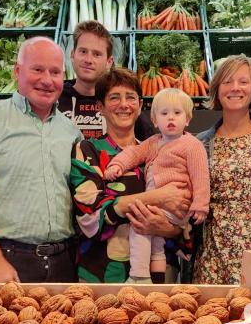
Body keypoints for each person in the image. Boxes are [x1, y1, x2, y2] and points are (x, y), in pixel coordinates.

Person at [0, 37, 82, 283]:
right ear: (17, 71)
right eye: (37, 69)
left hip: (64, 262)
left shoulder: (71, 132)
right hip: (9, 262)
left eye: (55, 72)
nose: (47, 80)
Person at [70, 68, 192, 283]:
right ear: (100, 107)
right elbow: (91, 216)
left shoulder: (161, 151)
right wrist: (158, 197)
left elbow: (184, 212)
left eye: (131, 97)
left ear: (140, 105)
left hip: (158, 276)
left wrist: (171, 229)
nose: (124, 104)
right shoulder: (88, 151)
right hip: (103, 275)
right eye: (114, 97)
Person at [194, 55, 251, 285]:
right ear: (217, 89)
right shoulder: (199, 143)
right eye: (227, 82)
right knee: (215, 318)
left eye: (243, 82)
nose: (235, 88)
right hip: (213, 258)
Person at [104, 88, 209, 284]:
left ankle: (139, 275)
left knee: (141, 227)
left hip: (176, 204)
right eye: (164, 113)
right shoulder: (153, 142)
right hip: (159, 202)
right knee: (157, 243)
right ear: (154, 120)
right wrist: (117, 165)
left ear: (187, 119)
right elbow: (133, 154)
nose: (171, 118)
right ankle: (157, 281)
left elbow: (201, 176)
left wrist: (201, 205)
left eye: (177, 113)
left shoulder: (192, 145)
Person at [58, 20, 155, 141]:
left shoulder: (123, 105)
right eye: (83, 51)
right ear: (72, 55)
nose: (88, 59)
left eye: (97, 54)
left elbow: (151, 148)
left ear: (109, 62)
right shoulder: (55, 98)